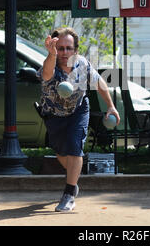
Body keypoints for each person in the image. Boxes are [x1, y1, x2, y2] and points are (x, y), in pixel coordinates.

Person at [37, 27, 120, 211]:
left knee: (75, 147)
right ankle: (73, 179)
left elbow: (99, 83)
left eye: (69, 48)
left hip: (78, 110)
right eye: (60, 48)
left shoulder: (82, 64)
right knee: (61, 152)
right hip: (54, 115)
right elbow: (47, 74)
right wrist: (51, 54)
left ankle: (69, 193)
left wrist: (111, 106)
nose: (64, 52)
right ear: (55, 48)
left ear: (75, 50)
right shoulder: (49, 64)